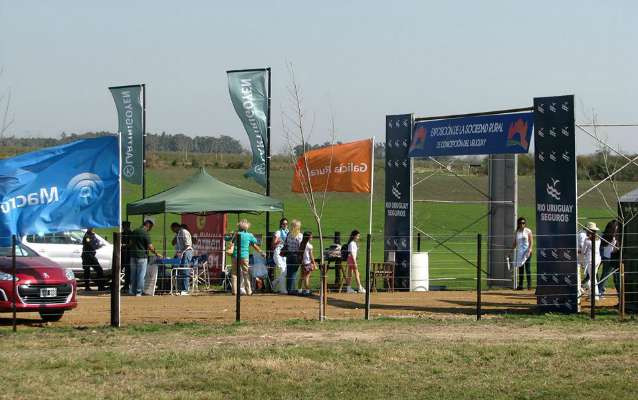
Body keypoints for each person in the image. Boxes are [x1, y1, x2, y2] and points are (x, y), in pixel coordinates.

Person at [225, 219, 264, 296]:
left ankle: (234, 291)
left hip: (235, 255)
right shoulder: (249, 235)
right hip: (245, 256)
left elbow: (226, 238)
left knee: (234, 273)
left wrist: (231, 234)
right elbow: (255, 242)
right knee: (246, 273)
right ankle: (249, 291)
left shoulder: (235, 234)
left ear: (239, 227)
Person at [128, 219, 161, 296]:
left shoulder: (134, 231)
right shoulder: (145, 233)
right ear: (148, 225)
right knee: (141, 275)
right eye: (151, 226)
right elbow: (150, 247)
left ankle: (132, 291)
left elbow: (130, 243)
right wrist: (156, 253)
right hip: (142, 256)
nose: (151, 228)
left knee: (133, 274)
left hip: (133, 256)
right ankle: (139, 292)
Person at [598, 219, 621, 300]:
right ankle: (599, 292)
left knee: (604, 275)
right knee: (605, 277)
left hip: (604, 257)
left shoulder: (604, 235)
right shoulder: (614, 237)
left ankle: (600, 291)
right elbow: (615, 250)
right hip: (610, 258)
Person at [171, 222, 193, 295]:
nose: (173, 231)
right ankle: (180, 289)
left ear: (176, 227)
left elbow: (187, 244)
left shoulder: (184, 232)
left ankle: (185, 289)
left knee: (184, 270)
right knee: (180, 270)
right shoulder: (179, 233)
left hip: (186, 252)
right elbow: (173, 243)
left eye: (173, 229)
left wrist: (182, 253)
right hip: (182, 253)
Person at [511, 217, 533, 290]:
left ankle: (529, 285)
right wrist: (510, 252)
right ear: (518, 224)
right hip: (520, 253)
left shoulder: (528, 231)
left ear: (525, 223)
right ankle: (520, 286)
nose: (522, 224)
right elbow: (514, 243)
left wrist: (529, 249)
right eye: (520, 223)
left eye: (523, 223)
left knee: (528, 268)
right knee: (520, 269)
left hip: (527, 252)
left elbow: (531, 241)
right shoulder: (516, 232)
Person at [581, 221, 602, 298]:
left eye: (587, 230)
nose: (586, 231)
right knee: (592, 277)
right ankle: (592, 294)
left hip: (590, 260)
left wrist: (579, 250)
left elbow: (583, 251)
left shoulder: (587, 240)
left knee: (592, 278)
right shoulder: (598, 238)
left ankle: (595, 296)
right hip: (598, 259)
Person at [283, 219, 303, 295]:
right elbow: (300, 246)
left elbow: (286, 243)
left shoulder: (288, 234)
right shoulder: (300, 235)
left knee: (289, 272)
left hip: (289, 255)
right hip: (296, 255)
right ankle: (292, 290)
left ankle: (289, 289)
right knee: (294, 273)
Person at [271, 218, 289, 293]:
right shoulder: (278, 232)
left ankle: (274, 282)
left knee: (285, 271)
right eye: (283, 224)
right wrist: (277, 241)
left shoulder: (288, 232)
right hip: (278, 252)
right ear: (281, 224)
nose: (285, 225)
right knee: (282, 269)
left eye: (286, 224)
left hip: (284, 253)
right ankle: (282, 289)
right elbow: (273, 244)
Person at [299, 231, 316, 296]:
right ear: (308, 238)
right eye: (311, 236)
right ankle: (307, 291)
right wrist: (314, 264)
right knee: (307, 277)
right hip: (307, 262)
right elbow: (311, 255)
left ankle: (299, 290)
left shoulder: (301, 244)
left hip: (302, 262)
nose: (312, 238)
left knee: (301, 277)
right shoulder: (309, 246)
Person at [121, 221, 132, 294]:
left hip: (128, 253)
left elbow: (130, 244)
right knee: (123, 269)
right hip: (123, 253)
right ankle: (125, 285)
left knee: (128, 271)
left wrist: (124, 246)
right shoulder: (123, 233)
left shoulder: (130, 234)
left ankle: (127, 285)